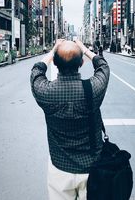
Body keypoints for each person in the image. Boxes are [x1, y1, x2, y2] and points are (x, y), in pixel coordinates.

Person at [30, 39, 110, 200]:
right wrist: (83, 48)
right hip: (92, 168)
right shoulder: (93, 89)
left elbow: (36, 70)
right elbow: (103, 66)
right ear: (81, 63)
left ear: (56, 63)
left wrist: (53, 51)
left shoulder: (45, 92)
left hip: (60, 169)